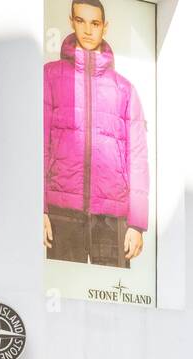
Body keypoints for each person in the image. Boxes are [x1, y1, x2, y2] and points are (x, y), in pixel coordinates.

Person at [43, 0, 148, 267]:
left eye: (95, 23)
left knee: (115, 298)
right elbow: (39, 144)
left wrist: (136, 224)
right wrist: (39, 207)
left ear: (105, 27)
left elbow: (137, 157)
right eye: (81, 21)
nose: (88, 30)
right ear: (71, 22)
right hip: (63, 212)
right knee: (62, 295)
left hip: (111, 218)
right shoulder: (50, 77)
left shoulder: (124, 89)